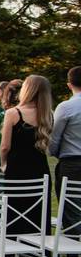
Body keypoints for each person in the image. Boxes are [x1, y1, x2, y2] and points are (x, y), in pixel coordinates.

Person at [0, 74, 54, 257]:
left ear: (27, 90)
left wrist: (4, 163)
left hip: (16, 172)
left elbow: (5, 146)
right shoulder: (48, 114)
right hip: (40, 172)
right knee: (37, 217)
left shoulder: (13, 113)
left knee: (15, 216)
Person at [51, 66, 81, 236]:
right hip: (71, 162)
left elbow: (54, 138)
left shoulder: (66, 107)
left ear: (69, 85)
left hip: (71, 164)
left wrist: (54, 153)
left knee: (70, 211)